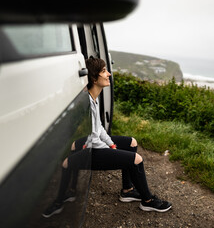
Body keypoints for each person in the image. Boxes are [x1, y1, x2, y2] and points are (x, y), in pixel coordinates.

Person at [42, 56, 172, 218]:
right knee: (136, 159)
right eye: (104, 71)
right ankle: (147, 201)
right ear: (94, 78)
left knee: (131, 143)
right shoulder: (88, 103)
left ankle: (128, 190)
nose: (109, 74)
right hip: (92, 149)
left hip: (94, 144)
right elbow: (91, 139)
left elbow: (99, 129)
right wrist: (111, 152)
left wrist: (111, 145)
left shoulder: (92, 98)